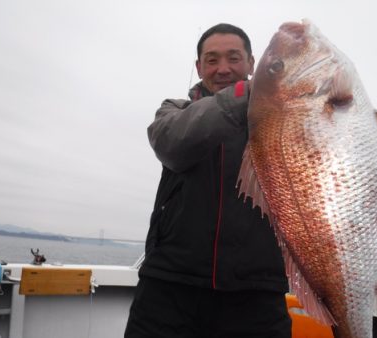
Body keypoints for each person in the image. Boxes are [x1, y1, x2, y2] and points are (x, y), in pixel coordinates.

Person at [125, 23, 292, 338]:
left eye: (234, 58)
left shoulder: (280, 122)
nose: (223, 68)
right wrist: (249, 92)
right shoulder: (174, 111)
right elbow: (171, 143)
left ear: (252, 63)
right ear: (199, 67)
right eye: (212, 60)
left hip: (257, 292)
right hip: (169, 286)